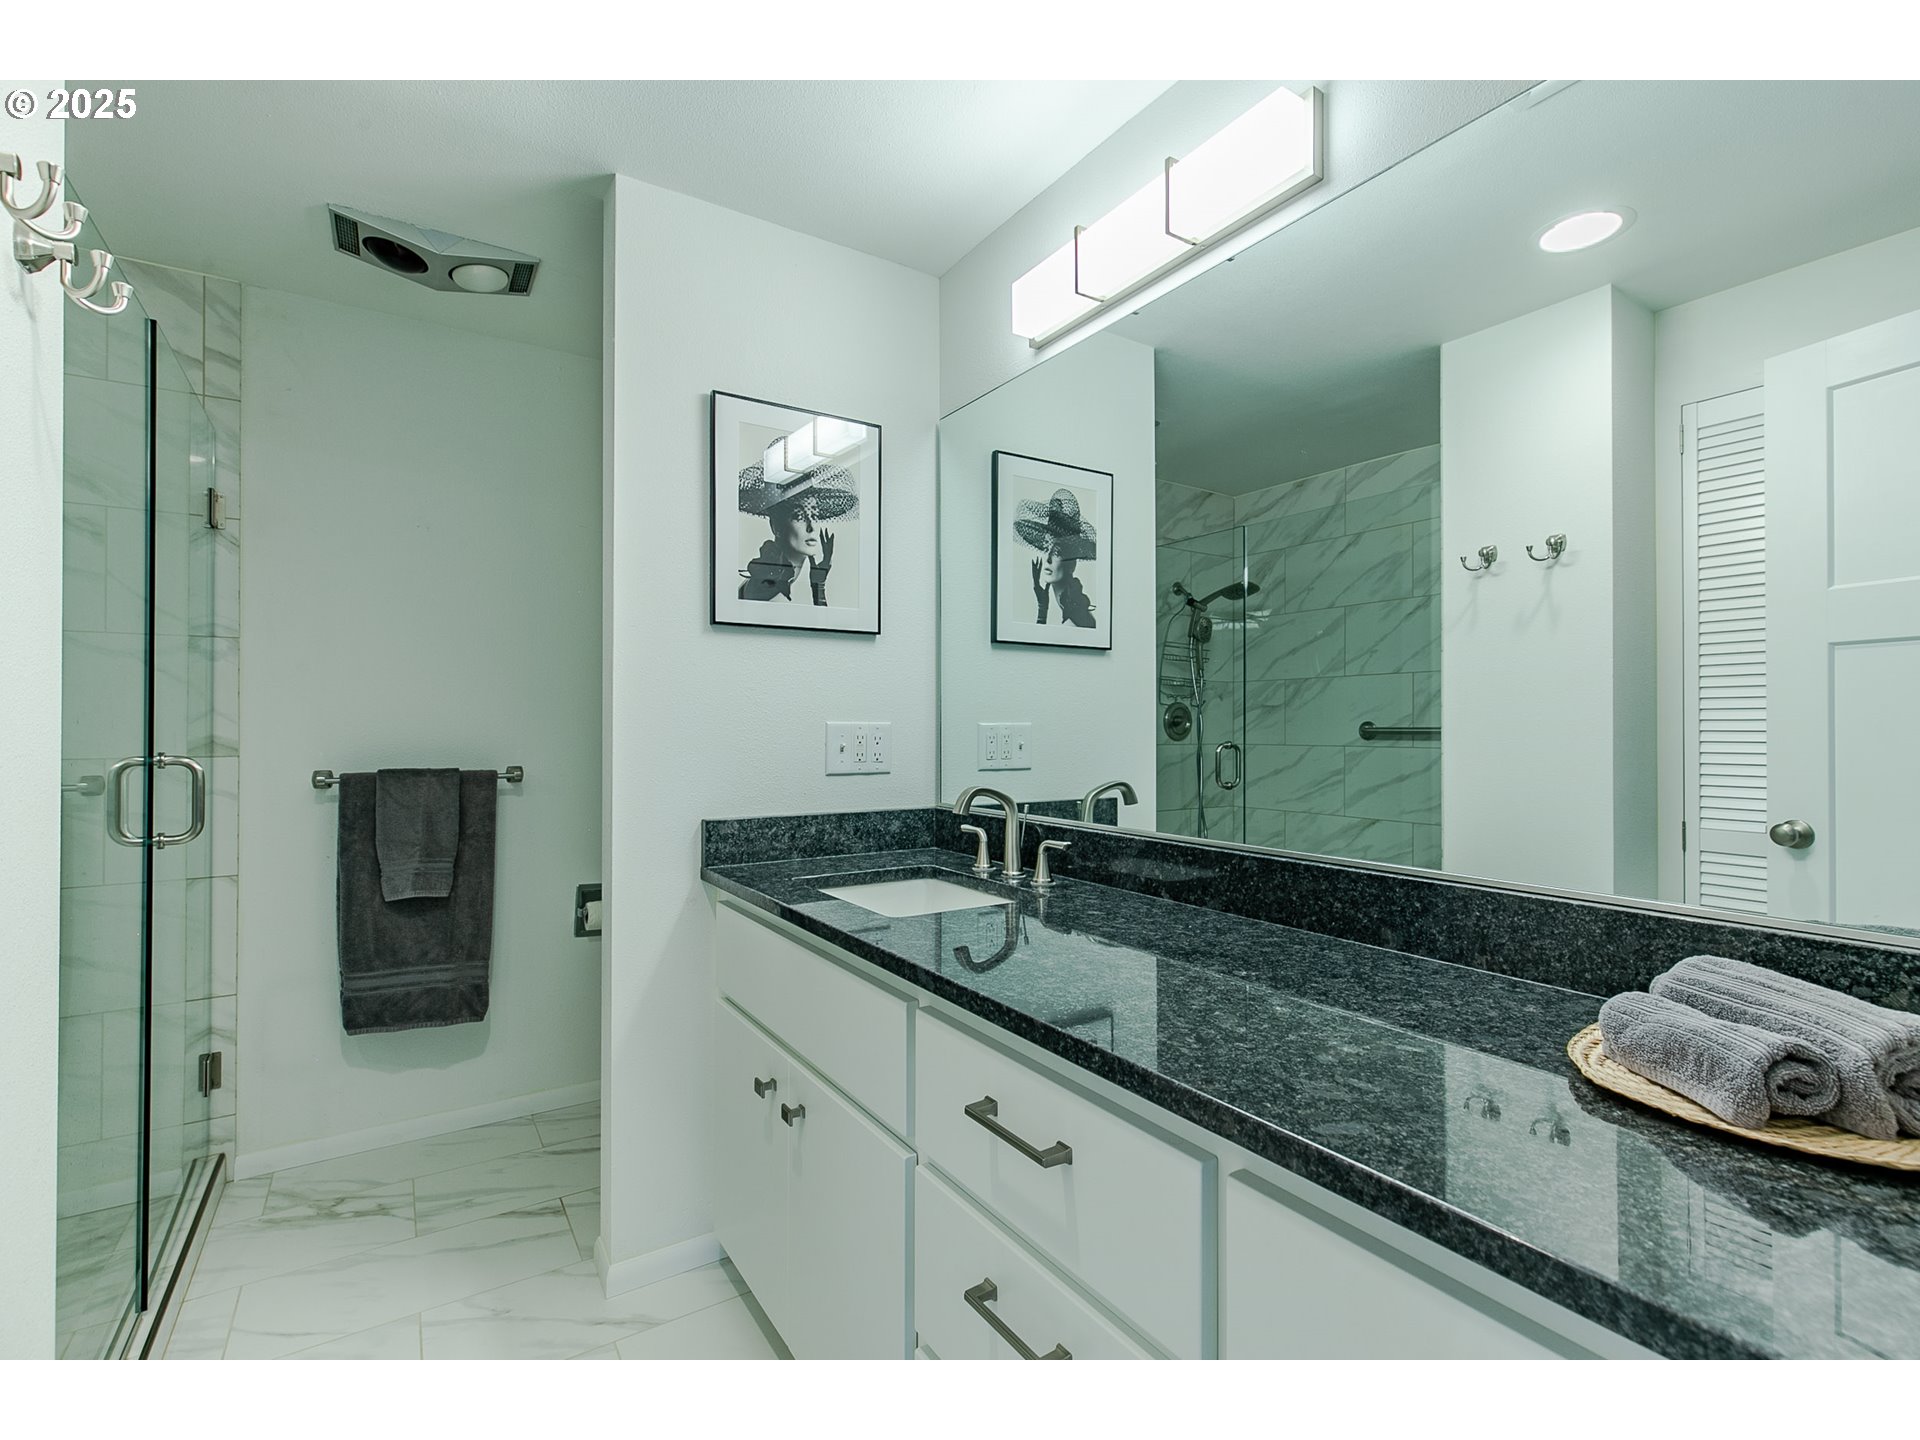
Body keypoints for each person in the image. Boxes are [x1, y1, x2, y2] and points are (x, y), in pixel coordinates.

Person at [736, 460, 858, 605]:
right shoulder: (772, 592)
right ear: (776, 526)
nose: (811, 527)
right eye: (799, 517)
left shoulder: (775, 579)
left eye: (815, 515)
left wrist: (818, 585)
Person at [1014, 487, 1097, 628]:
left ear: (1071, 564)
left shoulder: (1072, 623)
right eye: (1046, 548)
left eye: (1057, 552)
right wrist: (1042, 609)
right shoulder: (1074, 612)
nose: (1048, 559)